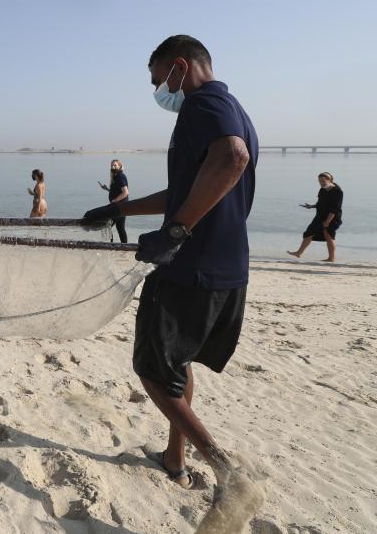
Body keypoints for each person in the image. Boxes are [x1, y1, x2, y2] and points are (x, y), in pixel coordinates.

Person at [83, 35, 264, 531]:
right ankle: (174, 459)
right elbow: (186, 188)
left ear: (181, 68)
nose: (160, 91)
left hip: (191, 267)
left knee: (150, 369)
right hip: (227, 269)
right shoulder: (233, 106)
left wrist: (177, 232)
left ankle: (225, 470)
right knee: (176, 363)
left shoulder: (204, 104)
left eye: (159, 80)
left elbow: (232, 159)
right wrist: (119, 208)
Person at [288, 172, 343, 262]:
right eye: (319, 181)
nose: (321, 183)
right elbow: (320, 203)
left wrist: (327, 221)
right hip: (320, 216)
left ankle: (331, 258)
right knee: (309, 233)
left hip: (332, 217)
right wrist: (311, 206)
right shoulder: (322, 189)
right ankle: (298, 253)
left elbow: (335, 209)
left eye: (323, 181)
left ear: (330, 180)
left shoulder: (338, 192)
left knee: (328, 236)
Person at [98, 159, 129, 242]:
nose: (113, 167)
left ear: (120, 166)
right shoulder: (116, 176)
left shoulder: (120, 176)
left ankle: (112, 245)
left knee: (108, 225)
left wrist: (115, 200)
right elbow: (117, 192)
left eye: (115, 165)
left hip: (120, 207)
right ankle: (123, 247)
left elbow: (125, 193)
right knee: (120, 228)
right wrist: (107, 189)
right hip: (118, 207)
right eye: (112, 165)